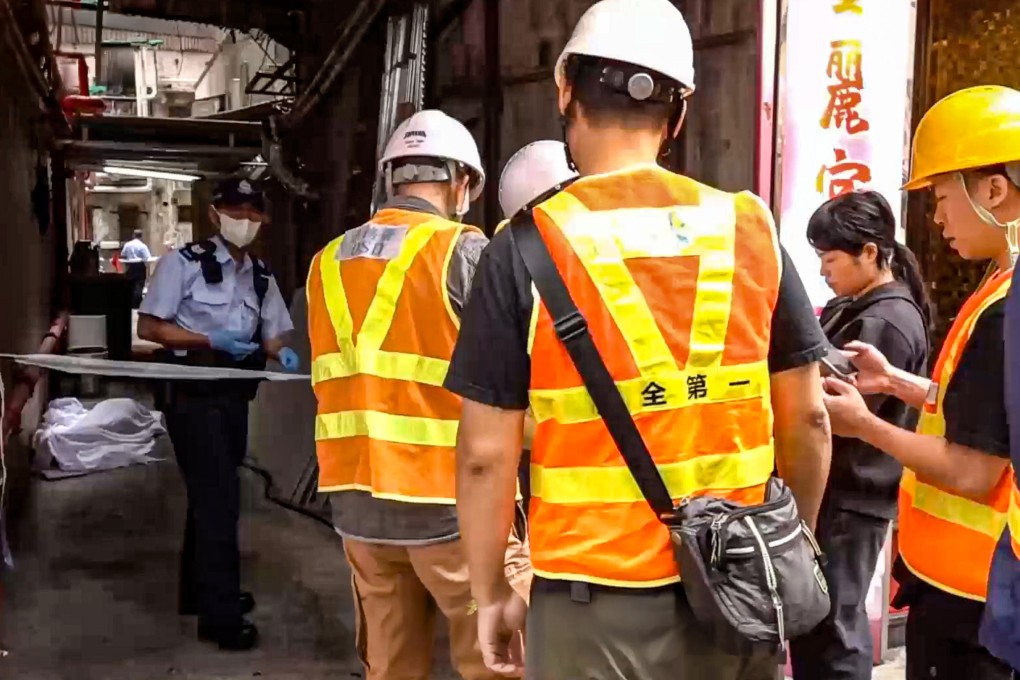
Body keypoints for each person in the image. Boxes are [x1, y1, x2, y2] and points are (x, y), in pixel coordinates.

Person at [446, 1, 833, 678]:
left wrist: (491, 594)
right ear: (677, 116)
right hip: (739, 589)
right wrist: (786, 548)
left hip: (591, 598)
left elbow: (484, 454)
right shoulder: (750, 229)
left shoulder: (524, 247)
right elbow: (809, 419)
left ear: (565, 90)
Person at [305, 109, 532, 680]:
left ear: (389, 179)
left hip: (357, 509)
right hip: (452, 509)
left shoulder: (324, 263)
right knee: (495, 665)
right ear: (461, 183)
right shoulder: (464, 253)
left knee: (392, 668)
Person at [822, 86, 1017, 680]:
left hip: (973, 602)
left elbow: (974, 467)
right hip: (964, 589)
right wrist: (903, 385)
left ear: (993, 190)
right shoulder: (998, 289)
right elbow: (987, 412)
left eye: (939, 197)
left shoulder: (1006, 307)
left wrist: (865, 422)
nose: (934, 217)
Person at [138, 177, 299, 651]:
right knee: (220, 501)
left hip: (233, 397)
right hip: (190, 395)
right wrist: (209, 341)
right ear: (214, 215)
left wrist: (279, 354)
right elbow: (150, 326)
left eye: (252, 215)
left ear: (263, 220)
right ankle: (220, 615)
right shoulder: (181, 265)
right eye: (235, 212)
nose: (244, 222)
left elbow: (272, 334)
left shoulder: (261, 275)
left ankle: (199, 592)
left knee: (209, 498)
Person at [789, 191, 931, 680]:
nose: (825, 271)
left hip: (850, 494)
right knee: (820, 622)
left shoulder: (884, 319)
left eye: (830, 259)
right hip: (846, 494)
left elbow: (829, 406)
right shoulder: (860, 305)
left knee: (832, 627)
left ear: (870, 253)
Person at [121, 228, 152, 308]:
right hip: (139, 266)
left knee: (130, 283)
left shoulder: (127, 245)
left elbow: (123, 254)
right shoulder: (142, 246)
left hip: (130, 266)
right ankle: (137, 303)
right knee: (139, 284)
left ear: (133, 235)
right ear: (141, 236)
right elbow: (147, 257)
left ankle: (130, 301)